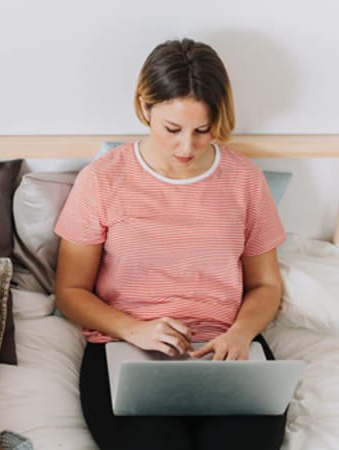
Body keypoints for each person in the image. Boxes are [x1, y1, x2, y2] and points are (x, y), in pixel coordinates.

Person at [54, 38, 287, 450]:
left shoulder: (245, 180)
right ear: (145, 108)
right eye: (173, 129)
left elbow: (266, 285)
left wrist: (240, 334)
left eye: (203, 130)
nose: (187, 147)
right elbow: (70, 291)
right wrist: (135, 330)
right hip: (127, 345)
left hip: (226, 347)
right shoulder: (102, 179)